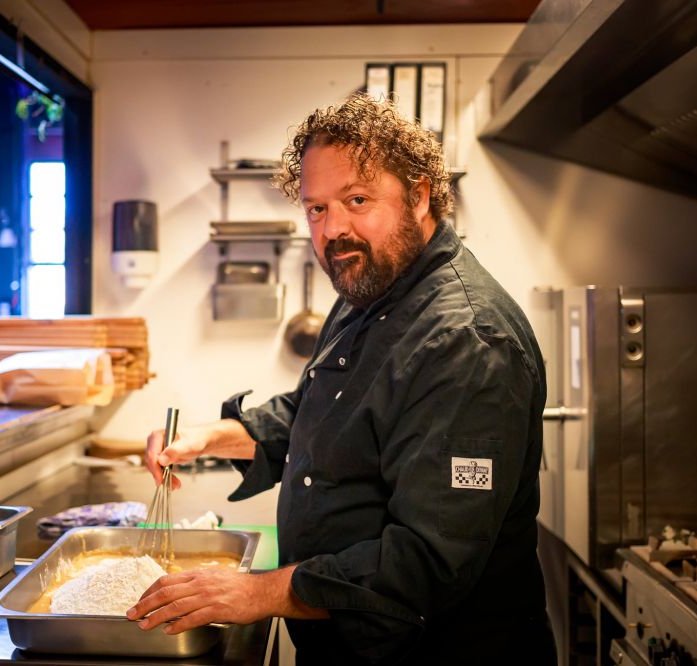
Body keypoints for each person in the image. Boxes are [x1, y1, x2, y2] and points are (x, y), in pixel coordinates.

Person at [129, 94, 556, 665]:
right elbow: (319, 410)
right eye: (316, 208)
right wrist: (206, 438)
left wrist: (257, 593)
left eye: (357, 200)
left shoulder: (467, 341)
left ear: (419, 196)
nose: (333, 230)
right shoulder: (370, 286)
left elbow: (426, 562)